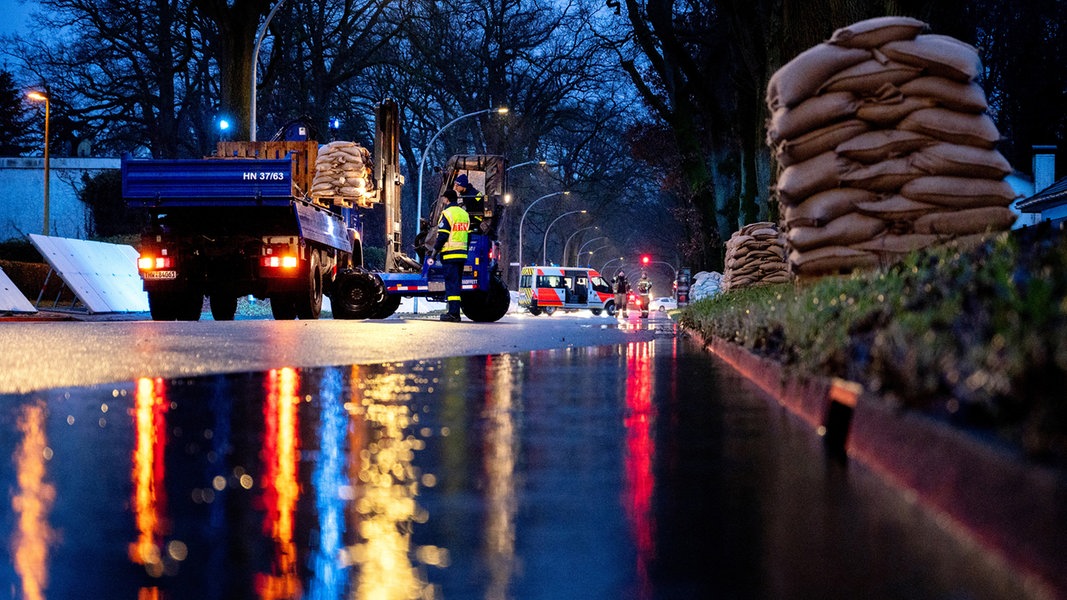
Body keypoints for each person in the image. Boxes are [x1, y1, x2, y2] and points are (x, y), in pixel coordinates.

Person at [434, 189, 471, 322]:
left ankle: (453, 313)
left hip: (450, 255)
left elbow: (443, 235)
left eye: (444, 198)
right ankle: (455, 312)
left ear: (447, 199)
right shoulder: (464, 214)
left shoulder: (448, 213)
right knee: (457, 283)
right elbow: (469, 235)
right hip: (461, 255)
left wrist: (435, 251)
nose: (443, 200)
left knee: (451, 284)